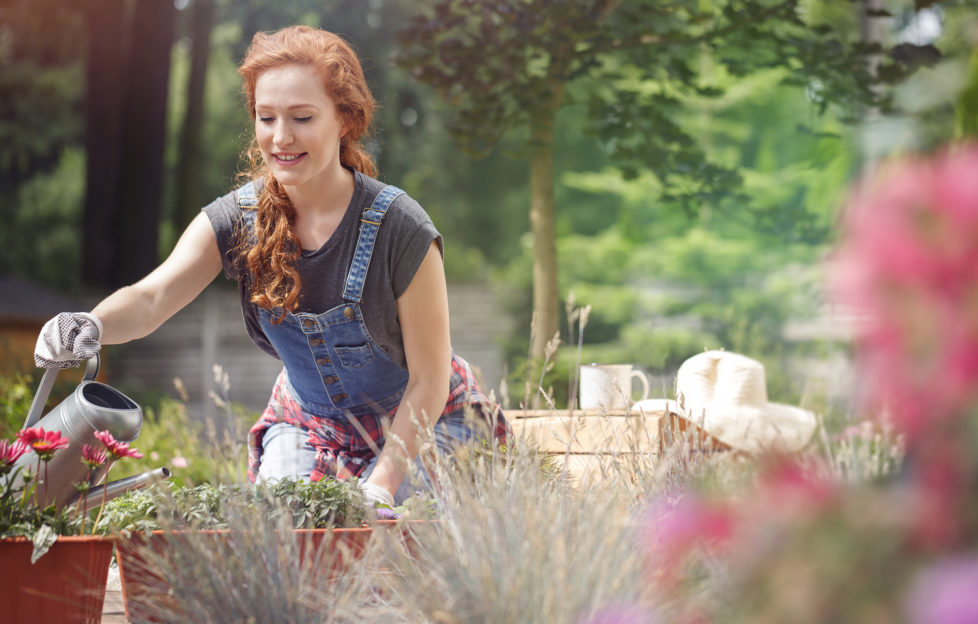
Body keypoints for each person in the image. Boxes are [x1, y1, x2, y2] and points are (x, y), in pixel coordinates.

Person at [33, 25, 508, 508]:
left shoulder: (400, 228)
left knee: (400, 532)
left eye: (302, 117)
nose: (281, 138)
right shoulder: (237, 220)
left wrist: (381, 484)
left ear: (344, 119)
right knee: (283, 536)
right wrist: (90, 323)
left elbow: (428, 379)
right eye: (266, 118)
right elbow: (152, 297)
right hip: (310, 425)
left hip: (425, 421)